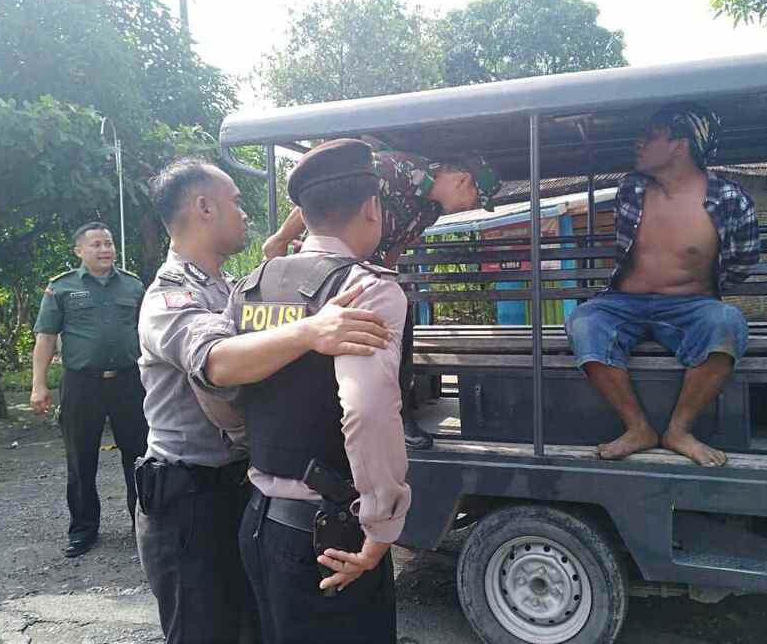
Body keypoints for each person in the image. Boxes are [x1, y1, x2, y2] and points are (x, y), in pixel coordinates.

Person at [135, 156, 389, 644]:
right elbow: (216, 363)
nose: (245, 212)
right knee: (203, 632)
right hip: (190, 499)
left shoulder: (235, 289)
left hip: (243, 489)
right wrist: (311, 330)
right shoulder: (168, 297)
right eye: (235, 201)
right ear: (204, 208)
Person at [199, 139, 410, 643]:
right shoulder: (367, 288)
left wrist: (255, 439)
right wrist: (381, 528)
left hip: (260, 521)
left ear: (306, 215)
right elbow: (367, 412)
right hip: (331, 536)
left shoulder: (250, 286)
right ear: (371, 208)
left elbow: (213, 387)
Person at [264, 140, 502, 449]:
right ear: (462, 180)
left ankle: (397, 416)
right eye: (475, 198)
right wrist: (281, 238)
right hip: (332, 269)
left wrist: (386, 279)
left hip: (365, 274)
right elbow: (323, 194)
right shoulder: (394, 169)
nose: (471, 206)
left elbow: (398, 244)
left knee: (397, 329)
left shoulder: (431, 209)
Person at [565, 103, 760, 466]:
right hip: (624, 303)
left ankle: (679, 431)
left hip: (691, 306)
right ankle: (638, 428)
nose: (638, 142)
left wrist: (703, 292)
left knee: (728, 323)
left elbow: (742, 263)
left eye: (651, 135)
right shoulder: (631, 189)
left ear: (679, 146)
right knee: (584, 321)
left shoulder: (732, 200)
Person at [31, 222, 148, 558]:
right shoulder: (62, 287)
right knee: (80, 458)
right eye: (96, 244)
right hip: (81, 384)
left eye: (108, 243)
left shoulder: (133, 286)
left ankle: (143, 526)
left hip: (129, 382)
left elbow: (148, 334)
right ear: (79, 251)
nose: (105, 249)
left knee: (139, 456)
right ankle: (83, 530)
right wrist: (39, 385)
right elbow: (46, 338)